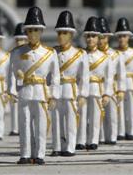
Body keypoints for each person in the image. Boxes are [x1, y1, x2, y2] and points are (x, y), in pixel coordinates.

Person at [7, 6, 60, 165]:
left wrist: (53, 95)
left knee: (41, 125)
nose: (32, 34)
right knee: (24, 125)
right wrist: (12, 89)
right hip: (24, 92)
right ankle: (24, 154)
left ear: (41, 31)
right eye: (29, 30)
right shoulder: (17, 52)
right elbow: (10, 72)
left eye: (36, 30)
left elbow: (55, 76)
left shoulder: (50, 53)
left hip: (42, 92)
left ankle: (39, 154)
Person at [51, 10, 87, 157]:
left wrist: (83, 94)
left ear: (71, 35)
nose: (61, 36)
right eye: (59, 33)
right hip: (55, 90)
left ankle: (70, 147)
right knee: (56, 119)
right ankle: (57, 146)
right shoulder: (52, 52)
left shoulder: (80, 54)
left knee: (71, 120)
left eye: (64, 33)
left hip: (71, 89)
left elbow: (84, 77)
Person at [77, 16, 112, 151]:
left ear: (98, 38)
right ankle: (80, 140)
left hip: (97, 88)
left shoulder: (105, 57)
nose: (90, 39)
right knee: (81, 115)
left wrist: (107, 93)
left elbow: (108, 78)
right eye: (88, 36)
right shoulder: (79, 54)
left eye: (93, 36)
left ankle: (93, 140)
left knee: (95, 116)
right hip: (82, 89)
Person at [115, 17, 133, 140]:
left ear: (128, 37)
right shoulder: (114, 53)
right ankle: (121, 131)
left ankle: (132, 131)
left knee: (132, 109)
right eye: (120, 36)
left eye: (124, 36)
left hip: (132, 83)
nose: (122, 38)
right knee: (119, 109)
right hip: (117, 84)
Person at [97, 17, 122, 145]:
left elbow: (121, 74)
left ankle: (112, 137)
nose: (101, 40)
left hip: (111, 86)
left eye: (104, 37)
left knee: (112, 114)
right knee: (97, 114)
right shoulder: (92, 54)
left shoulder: (115, 54)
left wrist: (120, 89)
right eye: (99, 37)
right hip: (96, 85)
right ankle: (100, 137)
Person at [9, 22, 27, 136]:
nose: (19, 42)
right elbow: (10, 72)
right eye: (18, 40)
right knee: (14, 107)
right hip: (16, 83)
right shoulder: (14, 53)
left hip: (28, 84)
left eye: (22, 39)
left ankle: (24, 127)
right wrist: (11, 89)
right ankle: (15, 128)